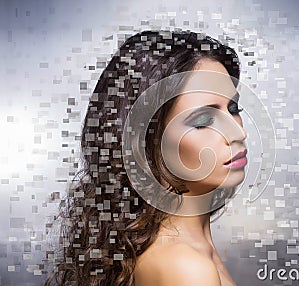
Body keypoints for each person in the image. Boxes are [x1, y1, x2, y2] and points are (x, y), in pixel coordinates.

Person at [45, 29, 247, 286]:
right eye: (204, 120)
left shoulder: (187, 250)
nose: (238, 132)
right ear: (146, 141)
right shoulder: (185, 268)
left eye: (233, 109)